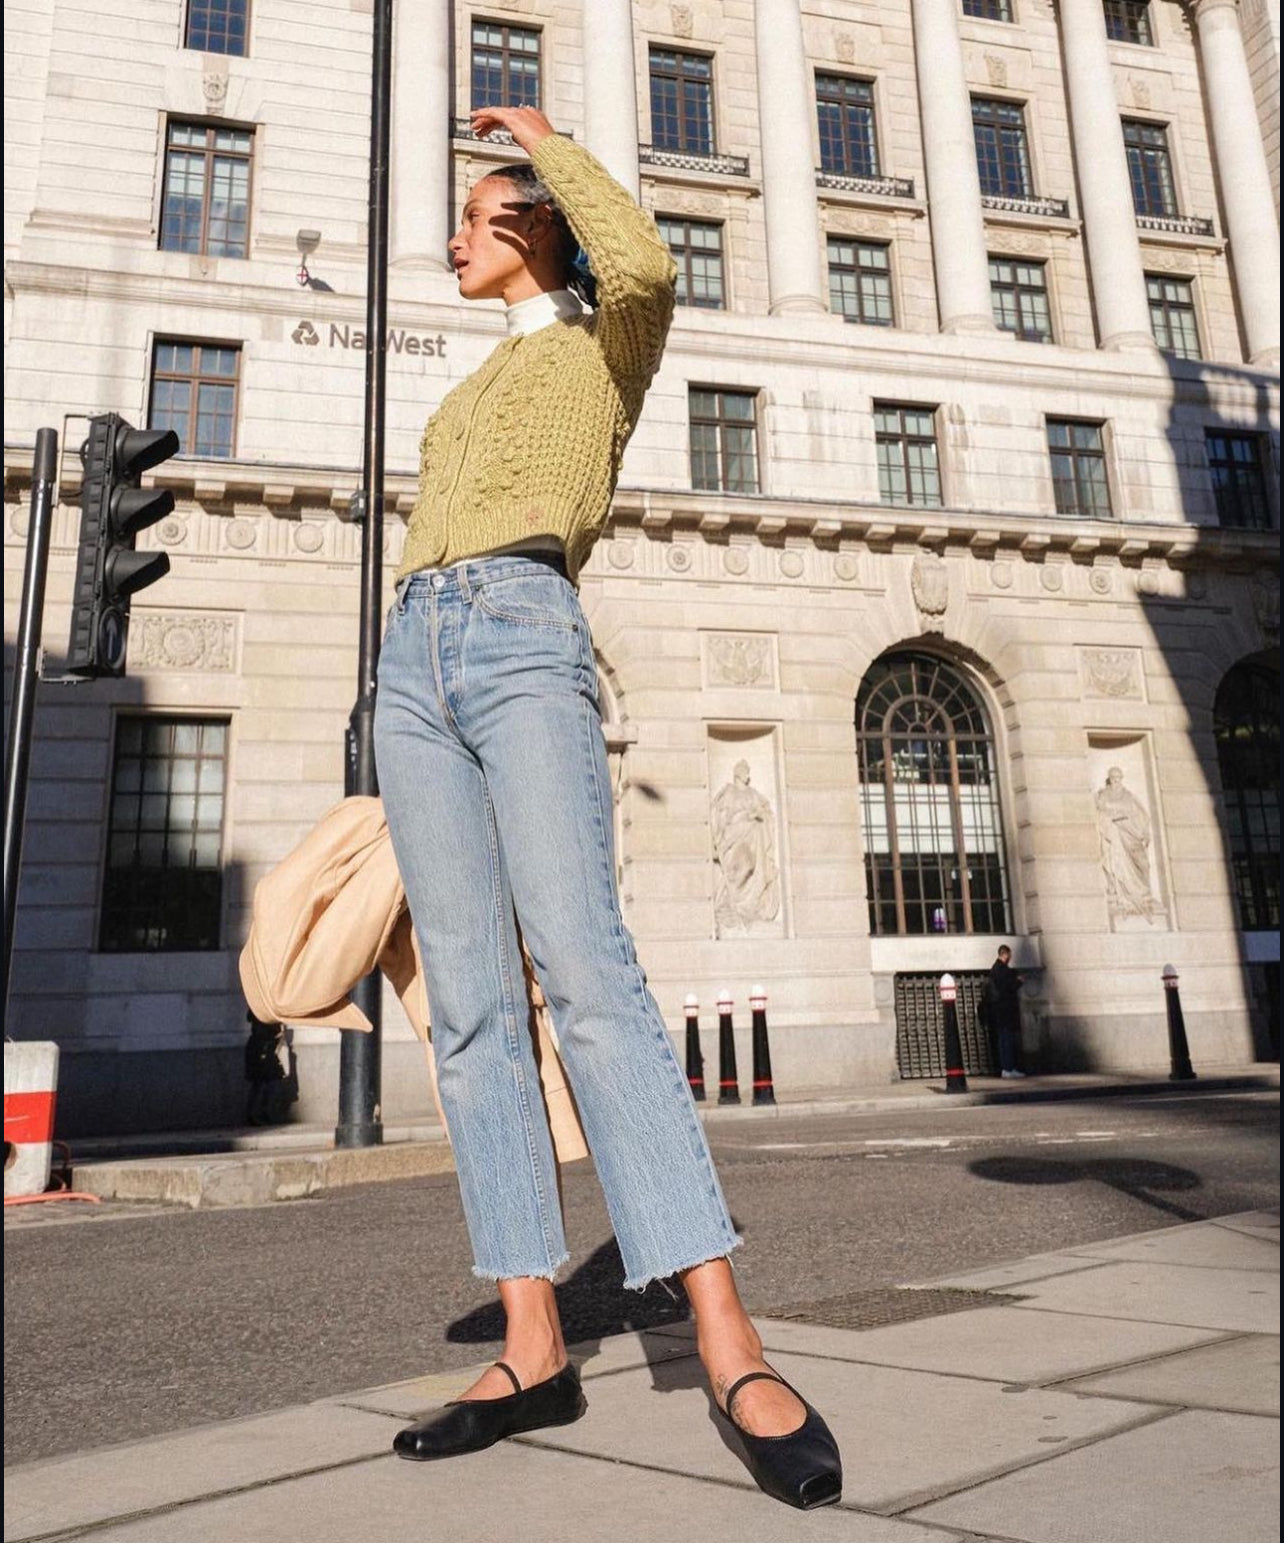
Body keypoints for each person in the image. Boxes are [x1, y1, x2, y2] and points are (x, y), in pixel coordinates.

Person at [372, 106, 841, 1509]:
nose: (455, 238)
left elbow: (640, 263)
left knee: (589, 972)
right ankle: (532, 1341)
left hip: (523, 629)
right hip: (415, 658)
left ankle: (726, 1336)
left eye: (476, 216)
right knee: (466, 1001)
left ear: (533, 227)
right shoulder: (457, 400)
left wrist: (547, 141)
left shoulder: (602, 346)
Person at [985, 946, 1026, 1078]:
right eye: (1010, 955)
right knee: (1007, 1039)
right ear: (1006, 954)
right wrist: (1019, 981)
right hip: (1006, 1010)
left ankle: (1006, 1068)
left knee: (1003, 1039)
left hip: (998, 1010)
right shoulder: (1003, 970)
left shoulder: (994, 969)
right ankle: (1008, 1068)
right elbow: (1008, 988)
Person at [243, 1011, 289, 1126]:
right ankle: (259, 1113)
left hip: (264, 1049)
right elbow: (264, 1032)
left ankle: (260, 1113)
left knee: (263, 1083)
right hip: (262, 1050)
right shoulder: (261, 1014)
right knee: (263, 1083)